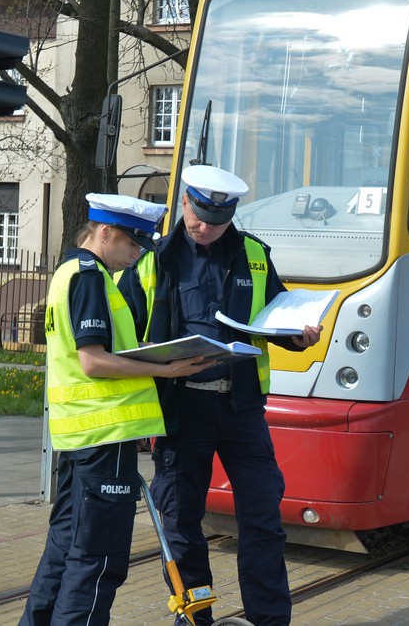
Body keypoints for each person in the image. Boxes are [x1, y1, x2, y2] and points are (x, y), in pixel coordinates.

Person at [119, 165, 323, 626]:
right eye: (198, 215)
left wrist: (299, 335)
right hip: (181, 408)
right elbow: (122, 334)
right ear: (185, 202)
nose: (204, 227)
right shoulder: (153, 260)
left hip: (240, 408)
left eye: (216, 220)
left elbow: (277, 313)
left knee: (262, 519)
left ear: (231, 216)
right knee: (182, 523)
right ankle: (196, 619)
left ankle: (267, 619)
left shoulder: (253, 254)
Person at [21, 194, 212, 626]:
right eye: (132, 243)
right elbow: (93, 361)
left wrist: (155, 353)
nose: (137, 254)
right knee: (98, 562)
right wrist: (164, 371)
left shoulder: (71, 272)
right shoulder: (91, 277)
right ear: (105, 232)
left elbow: (100, 350)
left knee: (64, 551)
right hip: (107, 439)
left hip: (82, 440)